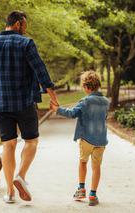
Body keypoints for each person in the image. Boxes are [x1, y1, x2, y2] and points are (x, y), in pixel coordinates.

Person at [0, 11, 59, 203]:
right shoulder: (26, 43)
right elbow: (41, 71)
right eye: (24, 25)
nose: (26, 29)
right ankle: (20, 176)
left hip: (0, 103)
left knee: (9, 145)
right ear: (17, 24)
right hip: (24, 102)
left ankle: (10, 193)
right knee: (31, 141)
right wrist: (53, 98)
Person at [56, 71, 110, 206]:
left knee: (83, 162)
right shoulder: (105, 101)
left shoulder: (85, 101)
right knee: (96, 167)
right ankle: (93, 194)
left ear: (86, 87)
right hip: (101, 140)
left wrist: (57, 109)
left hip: (86, 138)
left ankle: (81, 189)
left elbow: (72, 113)